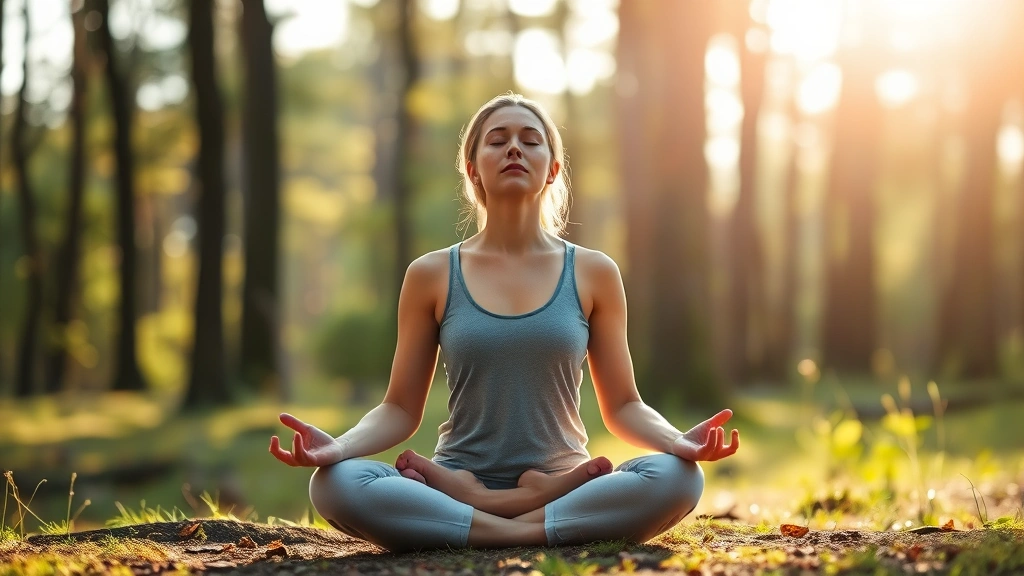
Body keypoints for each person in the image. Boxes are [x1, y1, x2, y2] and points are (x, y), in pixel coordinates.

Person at [269, 92, 740, 552]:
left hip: (564, 483)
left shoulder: (594, 272)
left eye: (531, 140)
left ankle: (487, 522)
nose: (514, 147)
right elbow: (399, 410)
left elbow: (623, 405)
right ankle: (524, 521)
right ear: (473, 168)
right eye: (497, 140)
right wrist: (339, 449)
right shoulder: (431, 274)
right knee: (335, 484)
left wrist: (678, 442)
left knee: (679, 477)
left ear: (553, 168)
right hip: (455, 479)